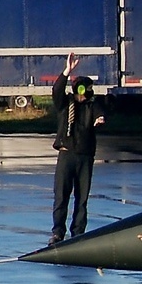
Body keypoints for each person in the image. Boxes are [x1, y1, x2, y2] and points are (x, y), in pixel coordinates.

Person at [50, 52, 105, 245]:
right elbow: (56, 90)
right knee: (61, 196)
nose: (84, 93)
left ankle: (78, 232)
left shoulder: (92, 106)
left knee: (82, 198)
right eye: (82, 89)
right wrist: (67, 71)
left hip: (85, 157)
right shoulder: (66, 104)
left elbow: (99, 112)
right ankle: (58, 232)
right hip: (67, 156)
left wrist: (100, 119)